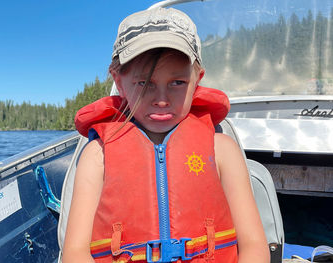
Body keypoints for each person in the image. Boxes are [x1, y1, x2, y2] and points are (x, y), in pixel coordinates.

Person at [62, 7, 269, 263]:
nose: (161, 100)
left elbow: (254, 246)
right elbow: (75, 252)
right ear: (119, 80)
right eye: (144, 83)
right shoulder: (97, 156)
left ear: (197, 79)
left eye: (177, 83)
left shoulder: (223, 150)